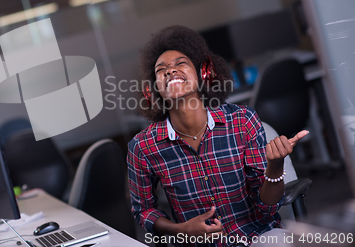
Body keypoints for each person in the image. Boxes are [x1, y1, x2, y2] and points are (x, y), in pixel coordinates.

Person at [127, 25, 307, 247]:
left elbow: (267, 206)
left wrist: (275, 166)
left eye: (180, 63)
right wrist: (180, 230)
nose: (171, 71)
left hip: (256, 237)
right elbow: (143, 210)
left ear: (204, 73)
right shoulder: (143, 147)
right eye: (161, 69)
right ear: (153, 90)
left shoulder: (242, 121)